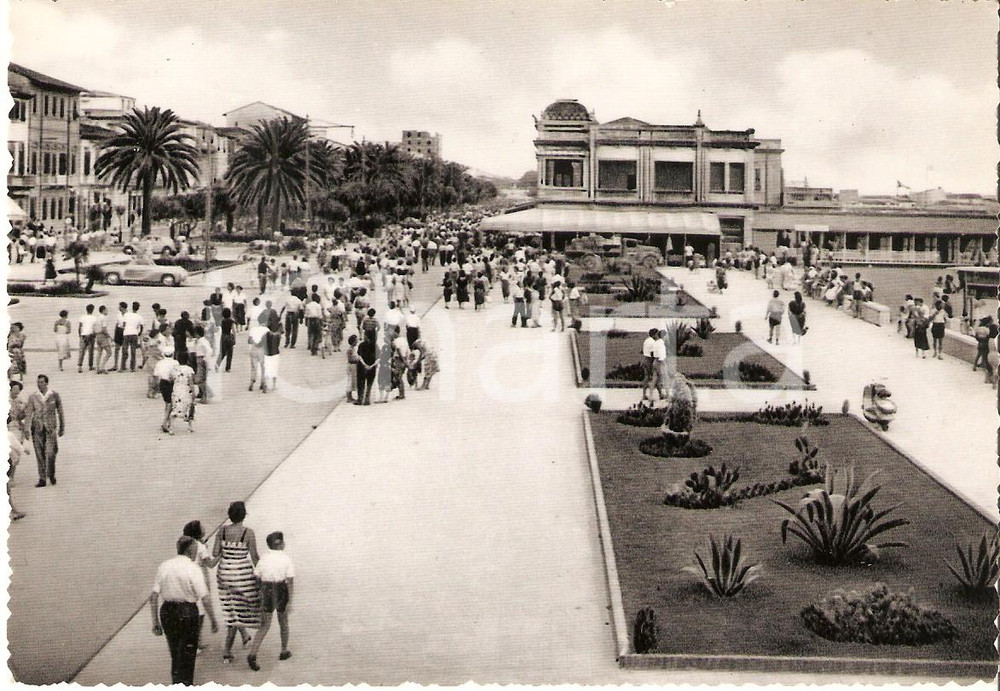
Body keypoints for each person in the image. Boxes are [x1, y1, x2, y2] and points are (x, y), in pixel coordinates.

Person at [150, 536, 218, 685]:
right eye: (195, 549)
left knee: (175, 654)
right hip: (187, 613)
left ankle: (176, 683)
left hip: (167, 612)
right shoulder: (193, 568)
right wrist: (213, 620)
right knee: (188, 655)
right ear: (189, 551)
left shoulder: (164, 566)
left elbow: (154, 596)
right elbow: (205, 598)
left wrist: (155, 622)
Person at [212, 501, 261, 662]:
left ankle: (245, 635)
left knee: (231, 608)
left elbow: (215, 552)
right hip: (242, 575)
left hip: (224, 574)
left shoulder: (222, 531)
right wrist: (261, 575)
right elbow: (254, 557)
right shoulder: (248, 533)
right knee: (240, 610)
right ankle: (226, 651)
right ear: (244, 515)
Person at [247, 531, 295, 671]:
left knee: (264, 625)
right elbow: (290, 581)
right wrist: (290, 601)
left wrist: (261, 592)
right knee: (283, 623)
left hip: (266, 590)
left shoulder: (264, 559)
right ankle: (284, 651)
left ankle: (253, 653)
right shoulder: (286, 559)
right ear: (280, 544)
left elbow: (256, 577)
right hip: (281, 590)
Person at [25, 374, 64, 487]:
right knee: (39, 453)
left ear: (46, 383)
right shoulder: (33, 397)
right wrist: (27, 428)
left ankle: (51, 474)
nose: (39, 384)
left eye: (42, 382)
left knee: (51, 452)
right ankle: (42, 478)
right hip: (37, 428)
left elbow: (60, 412)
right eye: (38, 382)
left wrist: (62, 427)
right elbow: (29, 413)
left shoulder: (54, 395)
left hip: (51, 428)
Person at [154, 347, 179, 433]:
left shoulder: (159, 363)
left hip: (162, 383)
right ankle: (165, 422)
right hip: (171, 383)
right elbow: (176, 374)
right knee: (170, 403)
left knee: (167, 403)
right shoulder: (175, 363)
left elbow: (156, 375)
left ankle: (166, 421)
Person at [973, 316, 998, 383]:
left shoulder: (987, 337)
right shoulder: (995, 339)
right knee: (994, 368)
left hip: (985, 350)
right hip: (994, 354)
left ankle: (986, 378)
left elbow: (976, 336)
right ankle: (993, 382)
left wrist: (980, 341)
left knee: (981, 358)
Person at [263, 315, 283, 394]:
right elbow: (281, 332)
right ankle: (274, 385)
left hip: (267, 353)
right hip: (275, 352)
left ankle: (266, 384)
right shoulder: (278, 334)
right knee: (274, 369)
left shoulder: (266, 332)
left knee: (267, 369)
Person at [356, 334, 378, 405]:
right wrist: (372, 365)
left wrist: (365, 365)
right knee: (369, 384)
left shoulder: (361, 345)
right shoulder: (375, 346)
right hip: (372, 368)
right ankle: (367, 399)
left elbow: (359, 356)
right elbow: (379, 358)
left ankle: (360, 399)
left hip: (362, 367)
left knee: (361, 383)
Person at [121, 301, 144, 372]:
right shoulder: (140, 317)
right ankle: (132, 367)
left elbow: (124, 324)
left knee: (124, 350)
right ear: (138, 308)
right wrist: (139, 333)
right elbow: (141, 326)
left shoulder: (127, 315)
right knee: (133, 351)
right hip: (134, 334)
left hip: (126, 333)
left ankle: (123, 366)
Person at [247, 320, 268, 392]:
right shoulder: (266, 330)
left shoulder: (253, 329)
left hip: (253, 349)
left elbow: (249, 340)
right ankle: (264, 383)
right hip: (262, 350)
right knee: (263, 367)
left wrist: (255, 342)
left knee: (254, 367)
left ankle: (251, 383)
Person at [77, 304, 97, 373]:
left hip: (83, 335)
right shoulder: (94, 318)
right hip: (90, 335)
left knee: (82, 351)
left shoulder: (82, 317)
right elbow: (94, 328)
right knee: (91, 352)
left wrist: (80, 335)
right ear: (93, 310)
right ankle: (90, 366)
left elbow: (79, 327)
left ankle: (80, 366)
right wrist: (95, 335)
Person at [217, 308, 236, 372]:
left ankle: (217, 364)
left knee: (222, 352)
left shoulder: (222, 321)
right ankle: (228, 368)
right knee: (230, 353)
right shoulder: (231, 321)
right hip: (229, 336)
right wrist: (235, 338)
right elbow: (234, 330)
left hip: (223, 336)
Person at [345, 334, 359, 403]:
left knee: (352, 381)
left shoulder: (353, 349)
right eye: (356, 340)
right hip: (351, 366)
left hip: (353, 366)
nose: (357, 342)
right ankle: (348, 397)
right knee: (350, 381)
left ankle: (350, 397)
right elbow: (350, 359)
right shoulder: (350, 349)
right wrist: (357, 360)